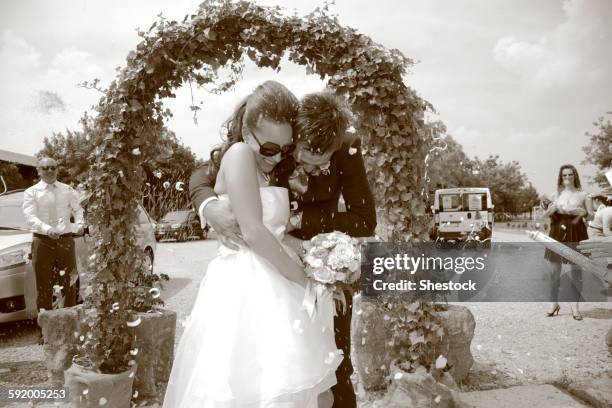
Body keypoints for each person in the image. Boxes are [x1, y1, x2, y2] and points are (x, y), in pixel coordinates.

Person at [189, 91, 376, 408]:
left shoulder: (346, 146)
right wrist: (207, 206)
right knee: (262, 371)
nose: (297, 161)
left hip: (322, 268)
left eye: (319, 162)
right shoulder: (275, 138)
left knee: (332, 368)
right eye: (299, 153)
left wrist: (297, 223)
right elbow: (206, 174)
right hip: (265, 271)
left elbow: (364, 220)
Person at [22, 158, 84, 316]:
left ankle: (70, 325)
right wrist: (47, 229)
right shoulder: (31, 192)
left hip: (65, 241)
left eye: (53, 167)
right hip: (42, 242)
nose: (49, 171)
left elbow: (78, 209)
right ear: (39, 170)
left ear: (57, 169)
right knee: (43, 286)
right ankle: (46, 330)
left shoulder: (68, 190)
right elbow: (30, 216)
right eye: (45, 168)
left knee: (69, 283)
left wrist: (79, 223)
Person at [542, 164, 593, 320]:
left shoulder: (584, 195)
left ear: (575, 176)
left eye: (570, 175)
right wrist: (550, 210)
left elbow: (591, 216)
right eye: (564, 175)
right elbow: (545, 215)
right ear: (561, 177)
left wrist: (582, 212)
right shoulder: (555, 195)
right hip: (557, 231)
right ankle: (553, 303)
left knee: (575, 271)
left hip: (577, 232)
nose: (567, 178)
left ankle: (575, 307)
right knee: (553, 270)